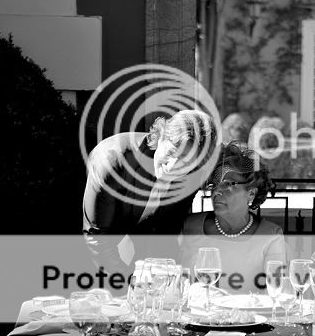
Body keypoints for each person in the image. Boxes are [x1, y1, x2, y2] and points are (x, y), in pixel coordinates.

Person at [83, 110, 218, 274]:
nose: (171, 167)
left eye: (185, 163)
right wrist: (127, 284)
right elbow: (97, 238)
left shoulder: (193, 176)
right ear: (161, 136)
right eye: (171, 153)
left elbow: (166, 232)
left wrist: (162, 277)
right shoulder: (113, 160)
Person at [179, 144, 286, 293]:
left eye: (228, 184)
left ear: (251, 194)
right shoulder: (190, 226)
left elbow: (277, 291)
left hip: (250, 309)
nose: (217, 191)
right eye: (214, 184)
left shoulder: (270, 236)